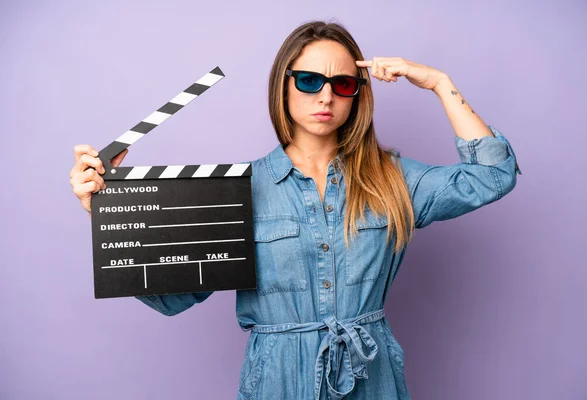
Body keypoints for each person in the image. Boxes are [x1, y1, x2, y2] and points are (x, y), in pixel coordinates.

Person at [69, 20, 521, 400]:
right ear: (283, 85)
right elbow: (171, 296)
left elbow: (492, 175)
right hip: (278, 380)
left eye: (342, 83)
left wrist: (440, 84)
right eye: (309, 80)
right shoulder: (237, 190)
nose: (325, 97)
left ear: (357, 95)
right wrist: (106, 214)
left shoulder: (393, 179)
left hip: (372, 375)